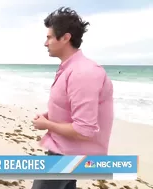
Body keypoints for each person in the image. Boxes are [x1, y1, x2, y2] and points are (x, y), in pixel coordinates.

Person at [31, 7, 114, 189]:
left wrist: (47, 125)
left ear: (66, 38)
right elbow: (68, 106)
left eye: (50, 37)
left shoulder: (83, 72)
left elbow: (85, 129)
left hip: (66, 156)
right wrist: (49, 115)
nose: (46, 43)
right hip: (65, 150)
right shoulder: (70, 68)